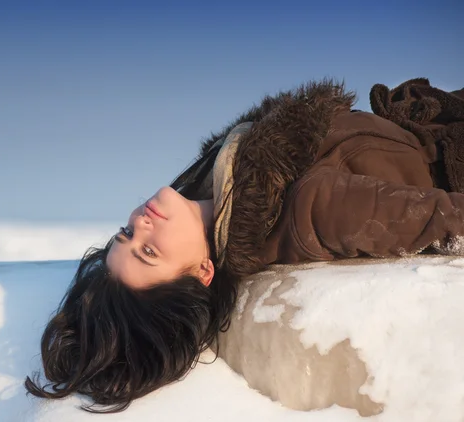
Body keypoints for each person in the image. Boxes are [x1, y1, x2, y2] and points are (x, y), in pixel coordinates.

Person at [25, 78, 464, 412]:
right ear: (202, 273)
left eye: (126, 235)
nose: (141, 223)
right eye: (150, 251)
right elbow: (443, 219)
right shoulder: (303, 212)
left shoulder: (214, 189)